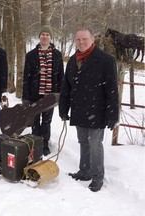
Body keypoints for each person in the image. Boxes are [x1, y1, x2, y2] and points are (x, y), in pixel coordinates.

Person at [59, 27, 119, 192]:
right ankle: (84, 171)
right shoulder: (72, 60)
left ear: (92, 39)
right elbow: (66, 88)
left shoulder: (105, 60)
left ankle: (97, 177)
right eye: (78, 40)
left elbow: (112, 90)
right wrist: (63, 109)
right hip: (79, 110)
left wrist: (112, 115)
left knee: (95, 144)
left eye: (84, 39)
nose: (81, 42)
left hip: (97, 110)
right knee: (83, 142)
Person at [22, 25, 64, 156]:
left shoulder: (57, 55)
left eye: (47, 35)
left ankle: (44, 144)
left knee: (46, 121)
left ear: (51, 38)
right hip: (35, 94)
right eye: (43, 34)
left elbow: (60, 76)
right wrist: (26, 97)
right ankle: (35, 144)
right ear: (39, 37)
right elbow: (26, 77)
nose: (45, 37)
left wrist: (60, 94)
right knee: (35, 120)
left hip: (50, 95)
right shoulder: (31, 55)